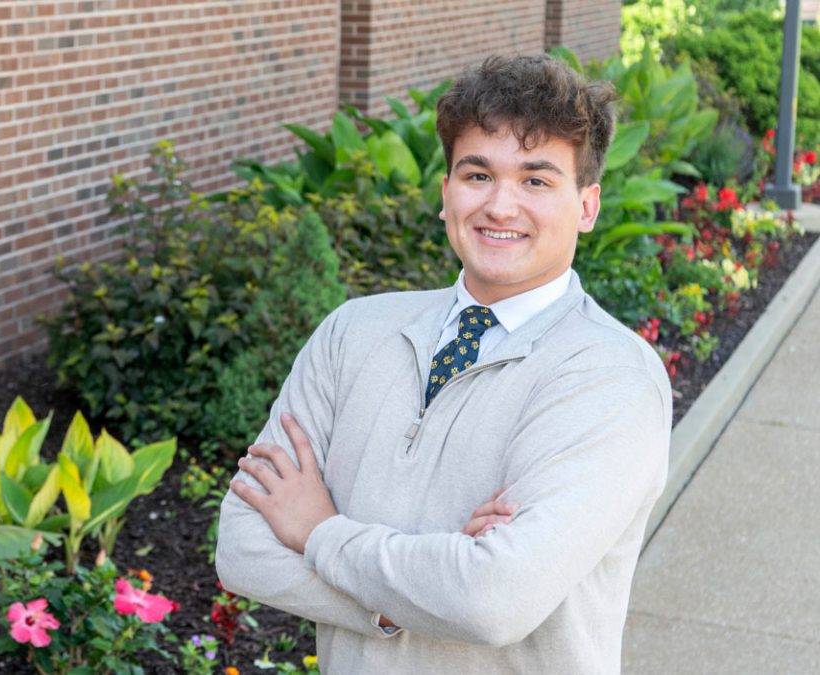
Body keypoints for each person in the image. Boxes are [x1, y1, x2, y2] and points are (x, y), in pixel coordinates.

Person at [215, 54, 671, 674]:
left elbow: (492, 600)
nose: (500, 206)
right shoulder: (353, 332)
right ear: (446, 192)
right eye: (477, 174)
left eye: (536, 180)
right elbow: (242, 544)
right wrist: (408, 596)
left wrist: (320, 532)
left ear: (586, 207)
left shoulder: (612, 378)